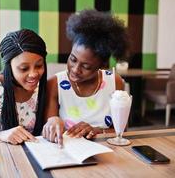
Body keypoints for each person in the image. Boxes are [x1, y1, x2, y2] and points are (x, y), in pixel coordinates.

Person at [42, 9, 130, 146]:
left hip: (107, 151)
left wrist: (97, 131)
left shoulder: (115, 82)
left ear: (102, 65)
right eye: (73, 59)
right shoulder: (55, 84)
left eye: (86, 66)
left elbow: (122, 130)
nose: (75, 69)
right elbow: (50, 130)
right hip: (68, 152)